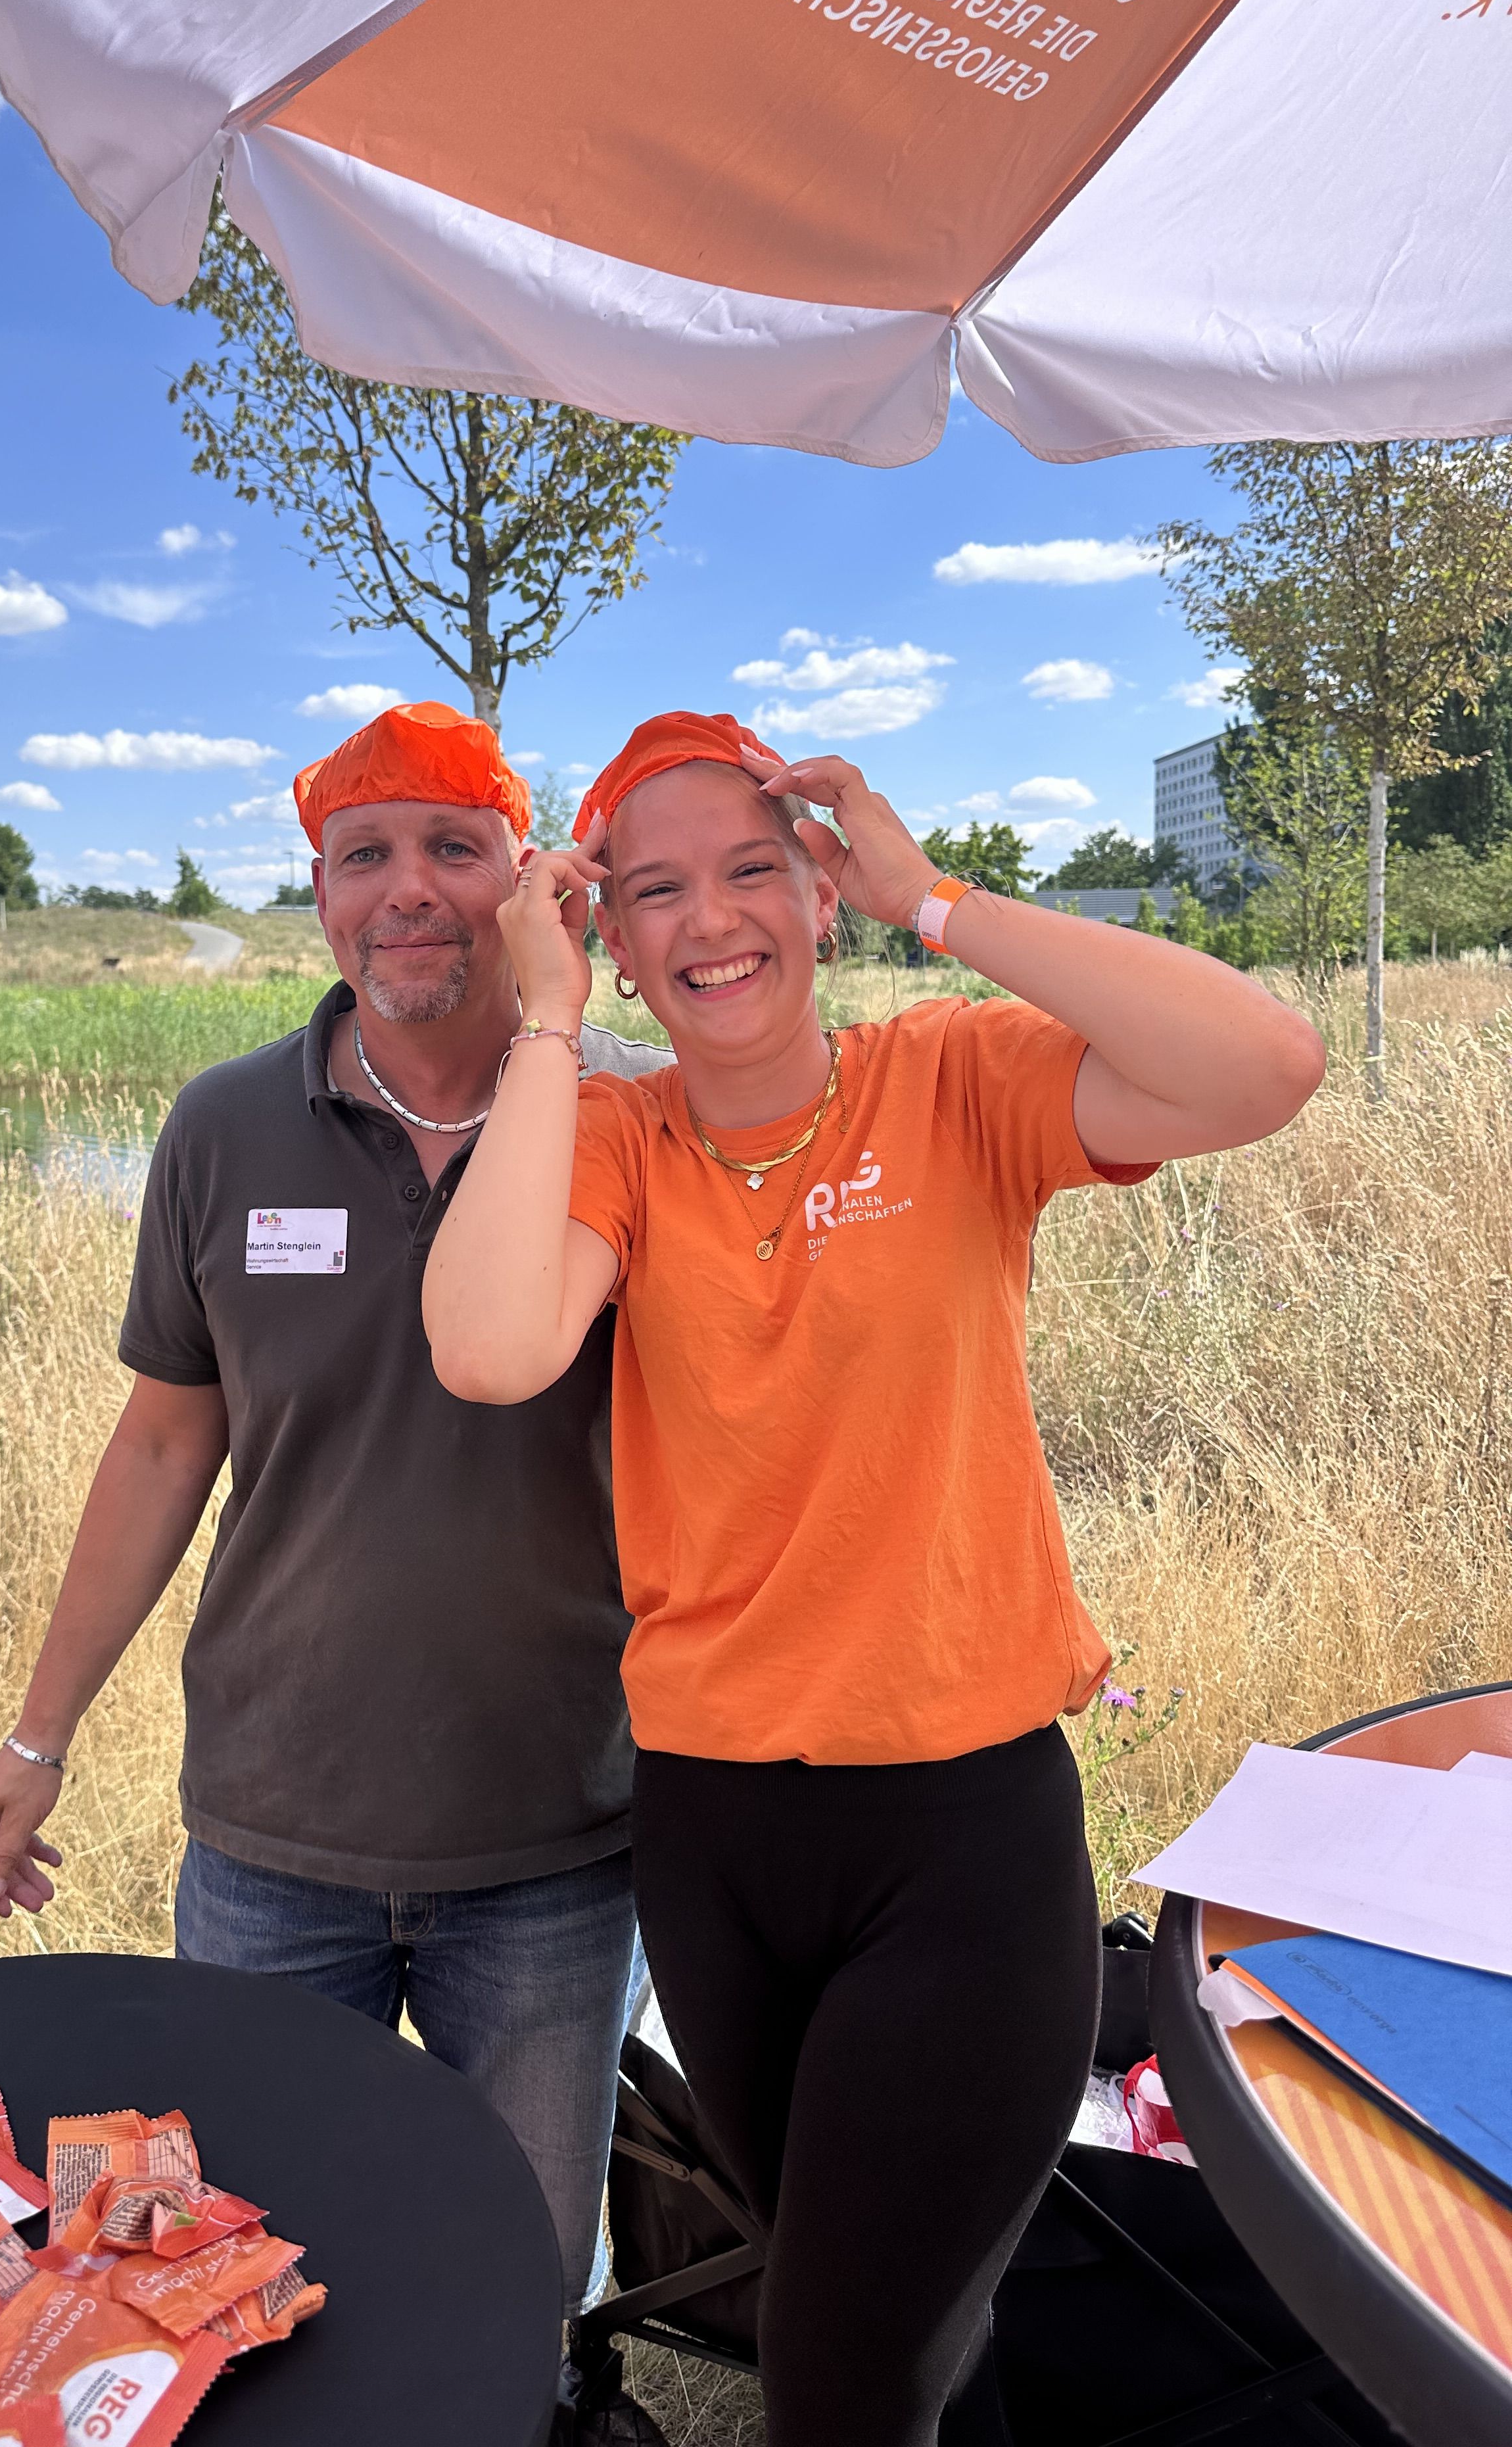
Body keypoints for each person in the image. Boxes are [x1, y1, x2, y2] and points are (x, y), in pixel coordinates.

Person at [423, 710, 1327, 2445]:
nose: (712, 919)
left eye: (753, 869)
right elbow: (487, 1345)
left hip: (959, 1837)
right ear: (613, 935)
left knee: (839, 2370)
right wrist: (542, 1018)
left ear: (820, 895)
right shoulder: (617, 1137)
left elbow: (1266, 1065)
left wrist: (941, 901)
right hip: (715, 1839)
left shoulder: (951, 1082)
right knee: (910, 2336)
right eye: (657, 890)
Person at [0, 702, 671, 2443]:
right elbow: (161, 1449)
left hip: (559, 1833)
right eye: (366, 855)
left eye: (453, 848)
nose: (407, 890)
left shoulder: (631, 1120)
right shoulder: (224, 1129)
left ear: (528, 879)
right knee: (249, 2259)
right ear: (321, 891)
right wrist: (38, 1737)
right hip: (273, 1830)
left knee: (528, 2265)